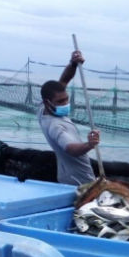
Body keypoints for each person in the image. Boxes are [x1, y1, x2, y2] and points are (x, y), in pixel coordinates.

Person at [38, 51, 99, 186]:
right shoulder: (55, 126)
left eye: (66, 99)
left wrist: (73, 64)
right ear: (48, 102)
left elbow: (64, 80)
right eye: (60, 102)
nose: (65, 104)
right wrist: (89, 145)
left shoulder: (43, 109)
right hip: (78, 182)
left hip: (69, 176)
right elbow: (71, 149)